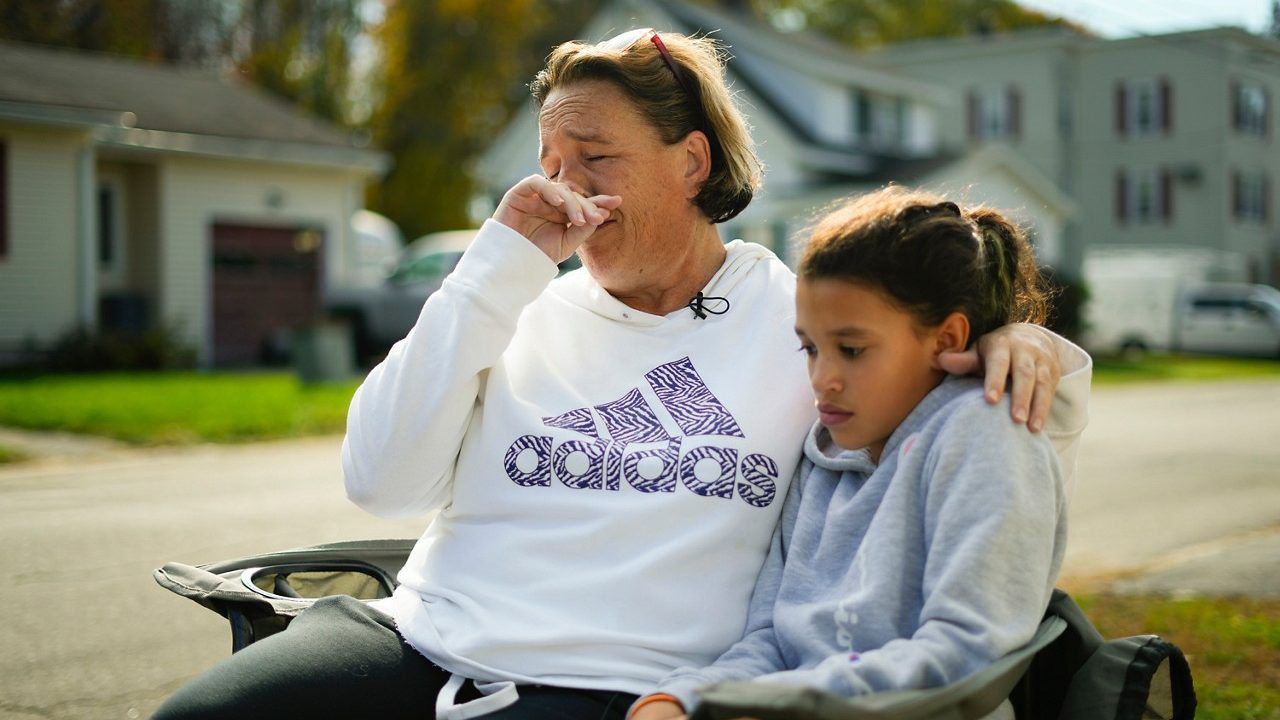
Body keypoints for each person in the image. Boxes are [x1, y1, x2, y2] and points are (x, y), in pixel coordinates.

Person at [154, 30, 1088, 720]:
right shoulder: (512, 302)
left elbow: (944, 390)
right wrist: (494, 267)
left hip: (632, 686)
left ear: (691, 161)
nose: (567, 193)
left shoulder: (798, 323)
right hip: (417, 645)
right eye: (550, 164)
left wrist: (1030, 346)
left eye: (596, 161)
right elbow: (379, 483)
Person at [629, 188, 1075, 720]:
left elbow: (966, 651)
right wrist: (682, 697)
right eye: (810, 347)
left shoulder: (984, 433)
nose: (823, 379)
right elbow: (774, 637)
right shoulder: (824, 454)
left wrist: (777, 704)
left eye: (852, 350)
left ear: (946, 338)